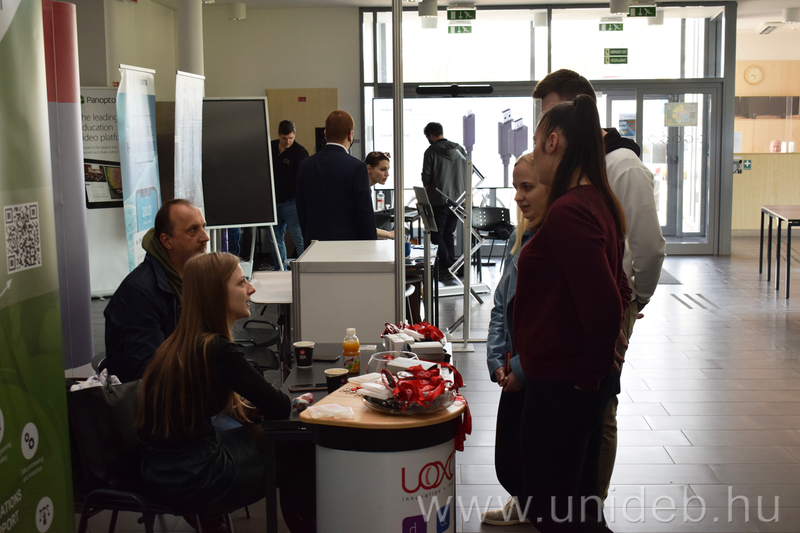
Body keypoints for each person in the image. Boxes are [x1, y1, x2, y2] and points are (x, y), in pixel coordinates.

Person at [532, 69, 666, 501]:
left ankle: (591, 501)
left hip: (594, 322)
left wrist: (631, 304)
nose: (546, 135)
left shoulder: (616, 171)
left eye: (550, 117)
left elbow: (646, 249)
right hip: (586, 314)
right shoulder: (581, 188)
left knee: (595, 418)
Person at [514, 96, 630, 532]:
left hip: (564, 385)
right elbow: (619, 285)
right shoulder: (597, 200)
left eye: (536, 141)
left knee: (554, 509)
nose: (535, 151)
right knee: (580, 506)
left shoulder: (568, 211)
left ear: (553, 142)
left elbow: (605, 304)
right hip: (573, 381)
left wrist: (586, 378)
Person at [137, 252, 315, 533]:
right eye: (241, 282)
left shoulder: (175, 345)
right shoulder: (217, 349)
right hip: (196, 476)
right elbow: (280, 407)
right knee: (299, 456)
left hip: (159, 472)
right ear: (216, 294)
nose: (251, 289)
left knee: (277, 442)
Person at [481, 153, 549, 526]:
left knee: (531, 453)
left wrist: (521, 370)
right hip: (516, 366)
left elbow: (552, 322)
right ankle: (524, 504)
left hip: (538, 370)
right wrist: (497, 360)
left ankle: (535, 510)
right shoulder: (518, 237)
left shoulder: (555, 241)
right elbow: (500, 306)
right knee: (509, 452)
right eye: (515, 188)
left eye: (527, 187)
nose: (518, 197)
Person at [104, 199, 209, 383]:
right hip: (155, 395)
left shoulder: (192, 278)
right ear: (167, 241)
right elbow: (148, 372)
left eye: (203, 227)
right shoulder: (138, 292)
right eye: (192, 230)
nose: (205, 237)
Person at [295, 110, 376, 242]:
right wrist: (371, 245)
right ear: (350, 135)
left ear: (325, 134)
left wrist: (308, 238)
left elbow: (301, 208)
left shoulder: (305, 165)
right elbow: (364, 213)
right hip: (348, 244)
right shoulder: (357, 167)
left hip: (315, 243)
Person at [421, 122, 468, 280]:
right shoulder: (459, 149)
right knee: (448, 234)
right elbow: (468, 171)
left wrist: (425, 198)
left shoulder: (431, 151)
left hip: (439, 199)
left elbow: (426, 177)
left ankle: (448, 266)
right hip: (458, 200)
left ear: (430, 135)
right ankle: (451, 268)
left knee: (436, 236)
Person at [268, 120, 309, 270]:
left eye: (291, 138)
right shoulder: (271, 147)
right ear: (278, 134)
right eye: (284, 138)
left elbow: (304, 180)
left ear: (294, 134)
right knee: (275, 240)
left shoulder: (300, 153)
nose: (288, 141)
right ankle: (280, 270)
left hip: (292, 203)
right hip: (273, 203)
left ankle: (305, 270)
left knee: (299, 238)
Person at [365, 151, 395, 240]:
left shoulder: (366, 189)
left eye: (388, 169)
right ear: (369, 169)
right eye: (383, 169)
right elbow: (363, 225)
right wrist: (388, 234)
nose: (387, 174)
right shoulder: (362, 191)